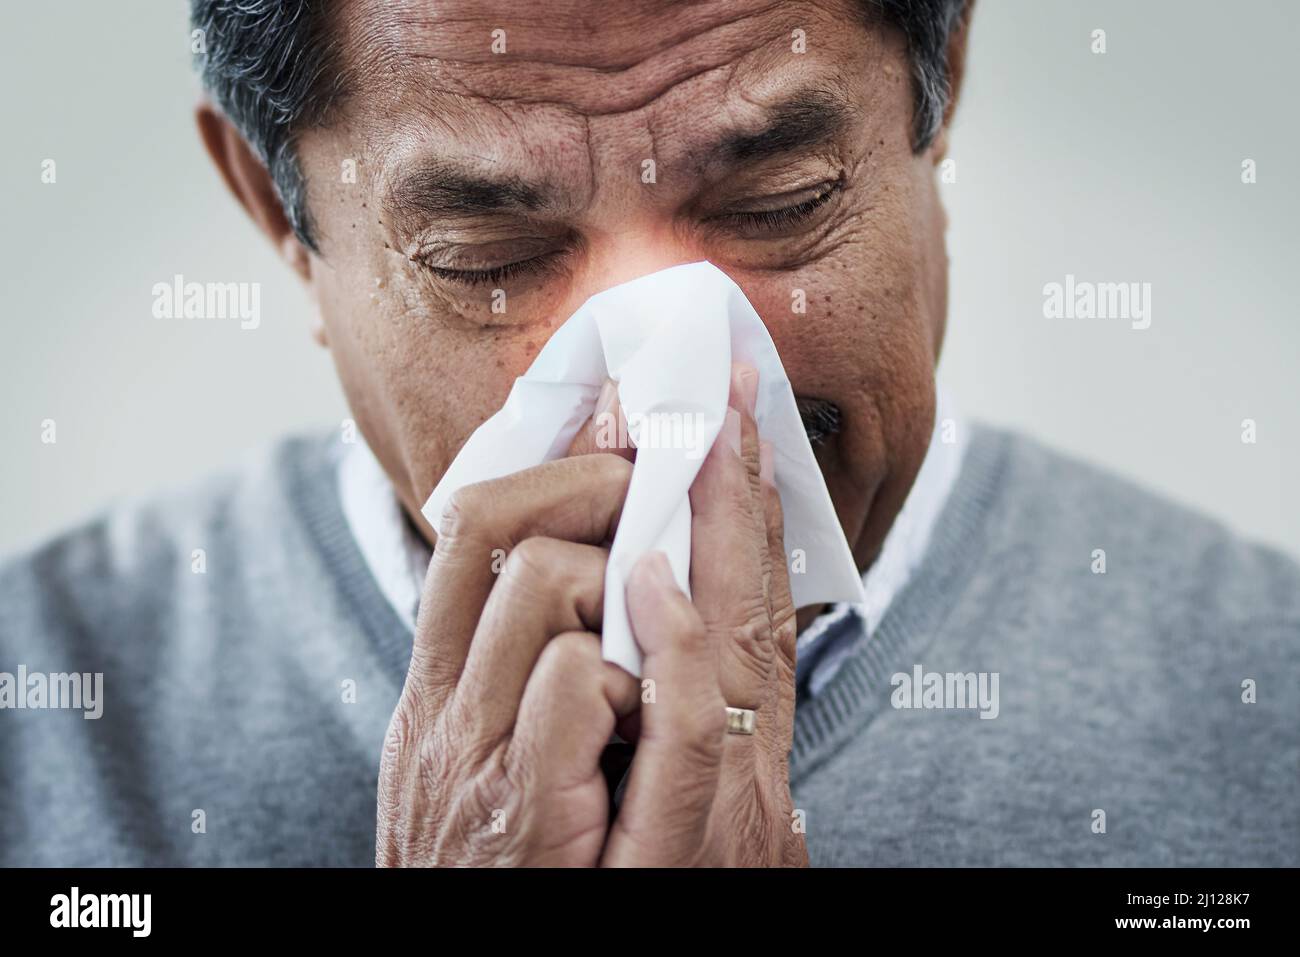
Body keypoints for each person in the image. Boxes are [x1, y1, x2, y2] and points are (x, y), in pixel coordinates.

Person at [1, 0, 1296, 866]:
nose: (650, 405)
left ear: (937, 90)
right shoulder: (46, 729)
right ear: (277, 215)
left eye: (780, 203)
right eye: (486, 257)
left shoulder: (1265, 705)